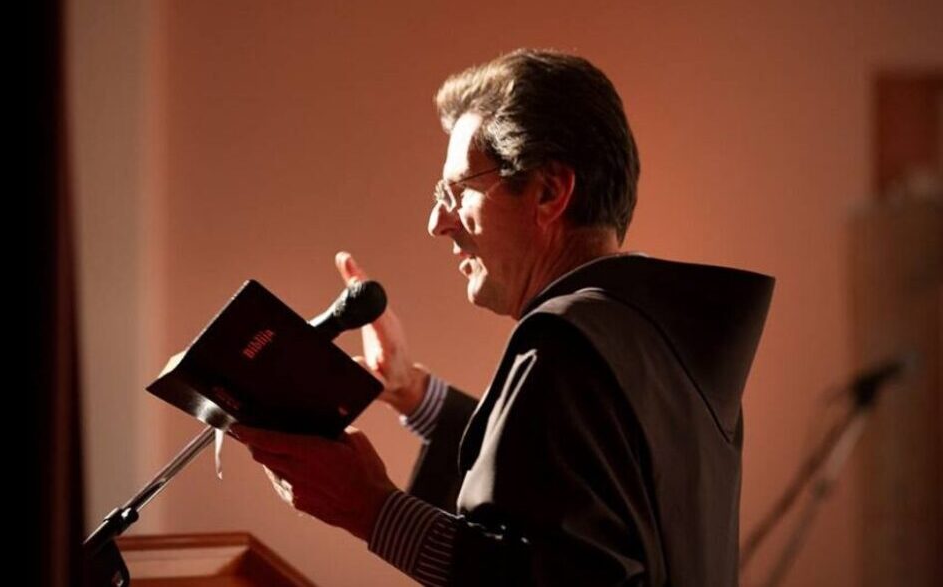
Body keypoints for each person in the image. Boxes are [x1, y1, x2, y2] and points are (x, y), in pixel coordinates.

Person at [233, 49, 774, 586]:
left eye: (458, 190)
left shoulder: (565, 343)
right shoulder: (648, 341)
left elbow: (556, 579)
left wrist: (369, 508)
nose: (437, 222)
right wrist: (416, 395)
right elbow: (557, 493)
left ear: (549, 192)